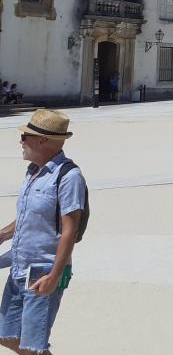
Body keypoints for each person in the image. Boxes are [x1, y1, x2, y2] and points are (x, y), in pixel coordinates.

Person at [0, 109, 86, 355]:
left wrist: (55, 276)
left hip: (42, 271)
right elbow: (31, 213)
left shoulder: (69, 177)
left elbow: (70, 230)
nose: (21, 142)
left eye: (25, 137)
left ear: (42, 140)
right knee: (5, 334)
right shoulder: (33, 171)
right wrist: (5, 233)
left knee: (34, 346)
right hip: (19, 266)